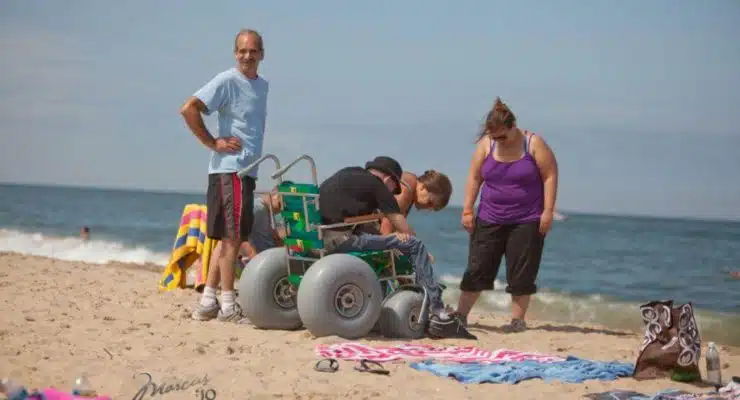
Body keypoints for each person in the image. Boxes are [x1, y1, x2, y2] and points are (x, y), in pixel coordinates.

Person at [318, 156, 476, 339]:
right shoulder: (380, 186)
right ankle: (438, 311)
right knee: (414, 245)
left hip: (322, 238)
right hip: (344, 240)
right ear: (388, 179)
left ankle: (387, 304)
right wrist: (412, 245)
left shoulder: (348, 173)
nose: (394, 192)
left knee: (400, 245)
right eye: (394, 187)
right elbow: (393, 221)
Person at [180, 28, 269, 323]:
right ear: (235, 53)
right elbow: (189, 109)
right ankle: (229, 306)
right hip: (230, 169)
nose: (247, 56)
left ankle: (208, 301)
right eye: (242, 50)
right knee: (232, 238)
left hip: (246, 171)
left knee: (228, 238)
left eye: (252, 51)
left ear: (262, 54)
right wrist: (212, 142)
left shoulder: (262, 86)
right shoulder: (227, 80)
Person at [454, 97, 558, 332]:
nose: (498, 140)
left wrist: (548, 211)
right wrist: (468, 209)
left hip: (527, 218)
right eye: (494, 136)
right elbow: (474, 177)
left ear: (513, 126)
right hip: (490, 216)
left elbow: (550, 175)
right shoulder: (486, 145)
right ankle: (460, 315)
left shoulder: (533, 143)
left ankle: (517, 320)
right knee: (477, 266)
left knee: (522, 270)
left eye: (502, 136)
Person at [378, 170, 453, 235]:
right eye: (429, 202)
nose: (427, 208)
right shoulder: (405, 192)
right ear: (423, 187)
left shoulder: (410, 183)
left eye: (432, 208)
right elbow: (385, 232)